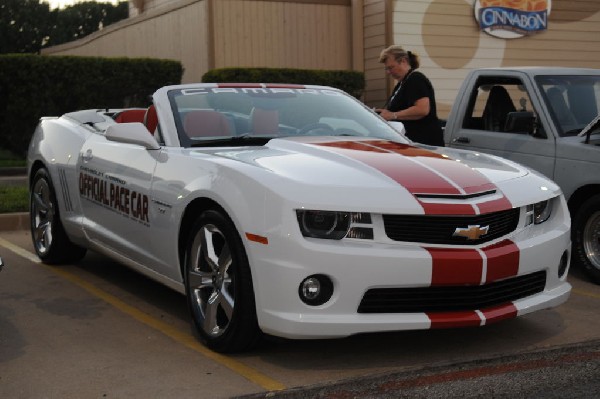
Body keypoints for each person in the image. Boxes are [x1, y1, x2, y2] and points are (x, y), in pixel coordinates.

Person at [375, 45, 444, 146]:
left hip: (424, 143)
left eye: (391, 67)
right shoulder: (402, 84)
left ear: (403, 61)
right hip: (411, 142)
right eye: (386, 69)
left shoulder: (415, 79)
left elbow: (422, 109)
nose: (388, 72)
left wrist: (393, 115)